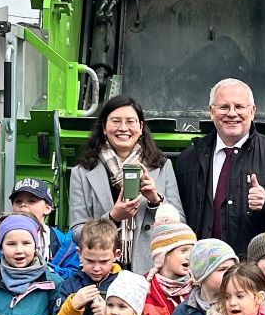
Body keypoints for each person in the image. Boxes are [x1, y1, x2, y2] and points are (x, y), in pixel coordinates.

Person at [171, 79, 265, 254]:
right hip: (202, 266)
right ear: (211, 112)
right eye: (224, 107)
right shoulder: (188, 159)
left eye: (239, 107)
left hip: (255, 267)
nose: (232, 113)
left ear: (253, 111)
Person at [67, 94, 184, 274]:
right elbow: (76, 232)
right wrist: (112, 218)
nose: (123, 128)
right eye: (115, 121)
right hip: (102, 273)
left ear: (140, 127)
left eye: (130, 121)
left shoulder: (161, 166)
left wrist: (155, 201)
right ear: (104, 128)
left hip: (151, 271)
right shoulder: (82, 172)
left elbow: (180, 224)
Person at [2, 177, 80, 280]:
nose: (23, 205)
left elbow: (74, 276)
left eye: (31, 201)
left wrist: (46, 269)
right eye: (18, 201)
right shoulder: (3, 238)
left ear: (47, 208)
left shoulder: (64, 243)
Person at [142, 207, 197, 315]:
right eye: (183, 250)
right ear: (163, 254)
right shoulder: (143, 287)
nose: (189, 256)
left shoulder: (198, 288)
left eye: (192, 251)